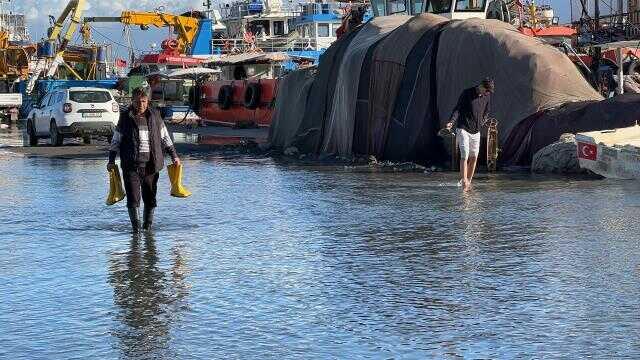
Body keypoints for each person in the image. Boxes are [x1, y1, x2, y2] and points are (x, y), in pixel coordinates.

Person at [107, 87, 181, 232]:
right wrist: (111, 160)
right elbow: (116, 140)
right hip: (131, 166)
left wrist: (174, 156)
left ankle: (147, 228)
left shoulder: (155, 116)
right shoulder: (125, 118)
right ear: (132, 101)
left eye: (143, 101)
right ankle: (136, 231)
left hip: (151, 165)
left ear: (148, 101)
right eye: (137, 101)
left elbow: (165, 137)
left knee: (150, 197)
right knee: (133, 199)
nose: (140, 104)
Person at [446, 78, 494, 190]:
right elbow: (457, 109)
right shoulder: (467, 93)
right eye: (486, 91)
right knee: (465, 154)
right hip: (463, 128)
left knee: (474, 157)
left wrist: (481, 122)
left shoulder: (487, 96)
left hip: (476, 131)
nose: (487, 93)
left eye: (489, 92)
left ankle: (468, 181)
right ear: (482, 86)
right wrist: (451, 122)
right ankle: (464, 182)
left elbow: (487, 112)